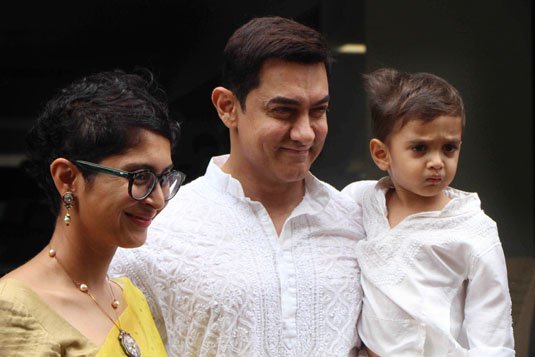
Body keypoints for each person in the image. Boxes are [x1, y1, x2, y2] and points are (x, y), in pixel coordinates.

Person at [110, 16, 365, 356]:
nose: (305, 132)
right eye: (283, 111)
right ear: (227, 108)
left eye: (318, 111)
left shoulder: (358, 222)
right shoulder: (162, 234)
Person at [0, 70, 185, 356]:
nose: (158, 200)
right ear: (67, 178)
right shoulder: (13, 310)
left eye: (163, 178)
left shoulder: (128, 296)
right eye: (140, 176)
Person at [343, 68, 514, 356]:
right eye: (420, 148)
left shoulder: (473, 228)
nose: (437, 162)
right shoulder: (360, 201)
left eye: (449, 148)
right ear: (382, 154)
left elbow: (493, 334)